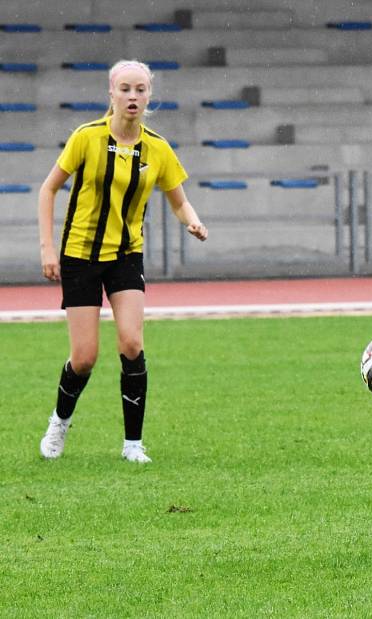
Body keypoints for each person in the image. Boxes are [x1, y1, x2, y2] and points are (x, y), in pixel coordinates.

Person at [37, 59, 208, 463]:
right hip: (80, 254)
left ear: (150, 96)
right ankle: (59, 422)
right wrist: (48, 249)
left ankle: (133, 444)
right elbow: (48, 190)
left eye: (141, 90)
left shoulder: (158, 148)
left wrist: (194, 221)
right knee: (84, 358)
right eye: (126, 89)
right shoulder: (86, 138)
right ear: (111, 94)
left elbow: (179, 200)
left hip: (126, 255)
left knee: (132, 342)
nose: (133, 97)